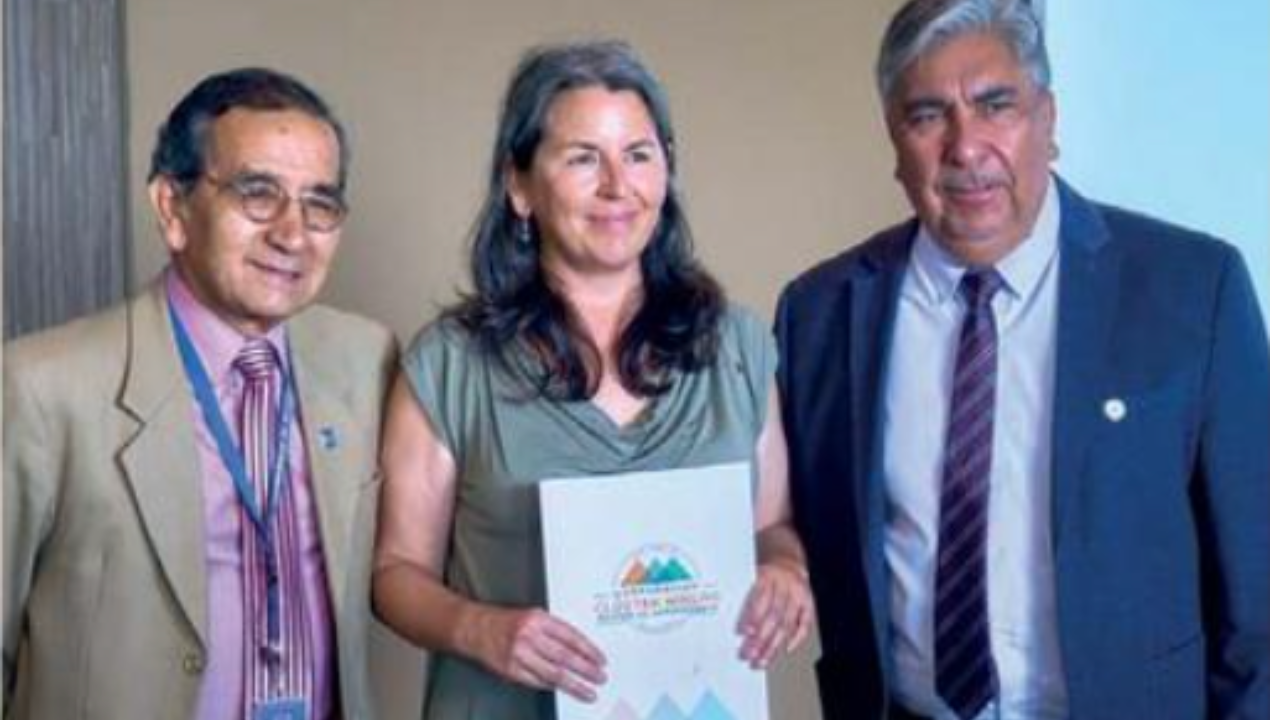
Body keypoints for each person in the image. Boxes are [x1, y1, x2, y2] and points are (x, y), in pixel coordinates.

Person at [775, 1, 1270, 718]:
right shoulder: (820, 312)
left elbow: (1259, 591)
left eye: (995, 105)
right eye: (927, 116)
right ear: (895, 141)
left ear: (1049, 119)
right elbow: (783, 521)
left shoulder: (1194, 290)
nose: (965, 148)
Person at [372, 40, 814, 719]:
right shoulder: (450, 363)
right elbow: (396, 573)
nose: (617, 185)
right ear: (519, 185)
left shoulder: (738, 347)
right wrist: (478, 629)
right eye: (583, 158)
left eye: (638, 154)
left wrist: (786, 571)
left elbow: (772, 525)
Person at [3, 68, 397, 720]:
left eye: (319, 204)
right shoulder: (40, 388)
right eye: (257, 194)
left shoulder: (367, 360)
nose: (292, 234)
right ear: (172, 207)